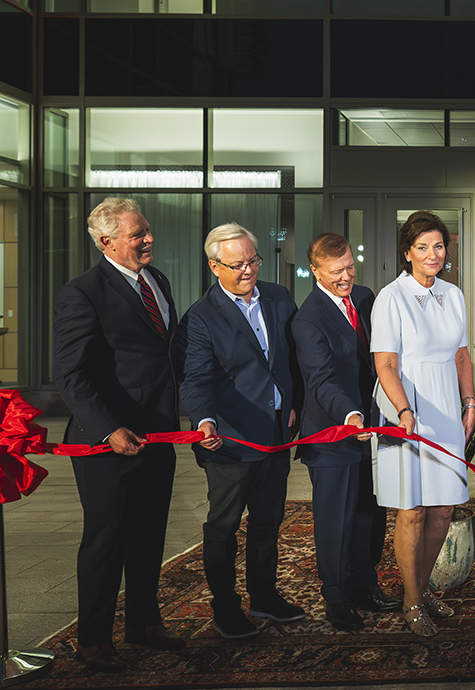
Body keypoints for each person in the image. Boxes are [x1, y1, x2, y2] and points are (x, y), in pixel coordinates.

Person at [53, 198, 185, 672]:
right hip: (105, 444)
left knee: (150, 533)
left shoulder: (157, 281)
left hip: (159, 436)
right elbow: (69, 375)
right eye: (137, 234)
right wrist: (109, 429)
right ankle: (92, 640)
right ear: (107, 242)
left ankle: (144, 624)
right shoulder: (81, 293)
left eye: (146, 230)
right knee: (106, 539)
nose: (148, 239)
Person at [178, 223, 304, 640]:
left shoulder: (280, 297)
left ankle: (264, 597)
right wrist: (203, 420)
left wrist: (294, 404)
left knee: (268, 524)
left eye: (253, 260)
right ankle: (225, 608)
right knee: (224, 527)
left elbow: (290, 360)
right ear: (215, 266)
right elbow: (195, 378)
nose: (248, 269)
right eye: (237, 264)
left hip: (275, 434)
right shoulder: (200, 317)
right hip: (230, 441)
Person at [371, 211, 475, 637]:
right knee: (412, 509)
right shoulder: (390, 297)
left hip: (447, 409)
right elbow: (386, 363)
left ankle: (423, 586)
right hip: (408, 408)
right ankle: (412, 600)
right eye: (422, 247)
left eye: (438, 246)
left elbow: (460, 355)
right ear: (406, 252)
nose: (432, 254)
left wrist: (469, 403)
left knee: (443, 507)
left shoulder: (454, 295)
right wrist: (403, 411)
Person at [292, 233, 401, 631]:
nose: (346, 278)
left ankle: (364, 584)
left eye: (350, 268)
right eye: (337, 272)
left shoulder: (367, 298)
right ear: (316, 270)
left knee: (369, 514)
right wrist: (350, 415)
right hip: (333, 434)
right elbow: (319, 380)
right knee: (334, 519)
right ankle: (336, 595)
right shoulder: (307, 319)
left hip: (372, 430)